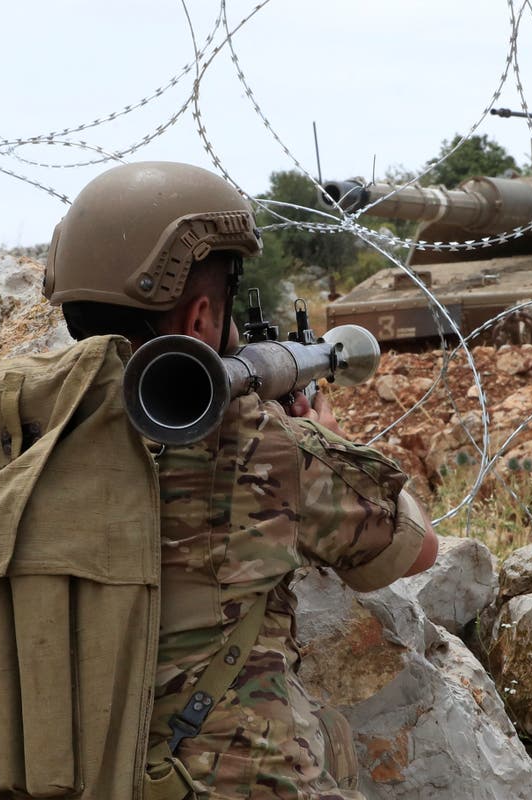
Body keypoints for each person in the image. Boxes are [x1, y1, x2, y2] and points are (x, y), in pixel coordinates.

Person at [43, 160, 438, 798]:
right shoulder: (261, 443)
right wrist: (323, 438)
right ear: (200, 316)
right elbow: (416, 549)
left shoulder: (14, 436)